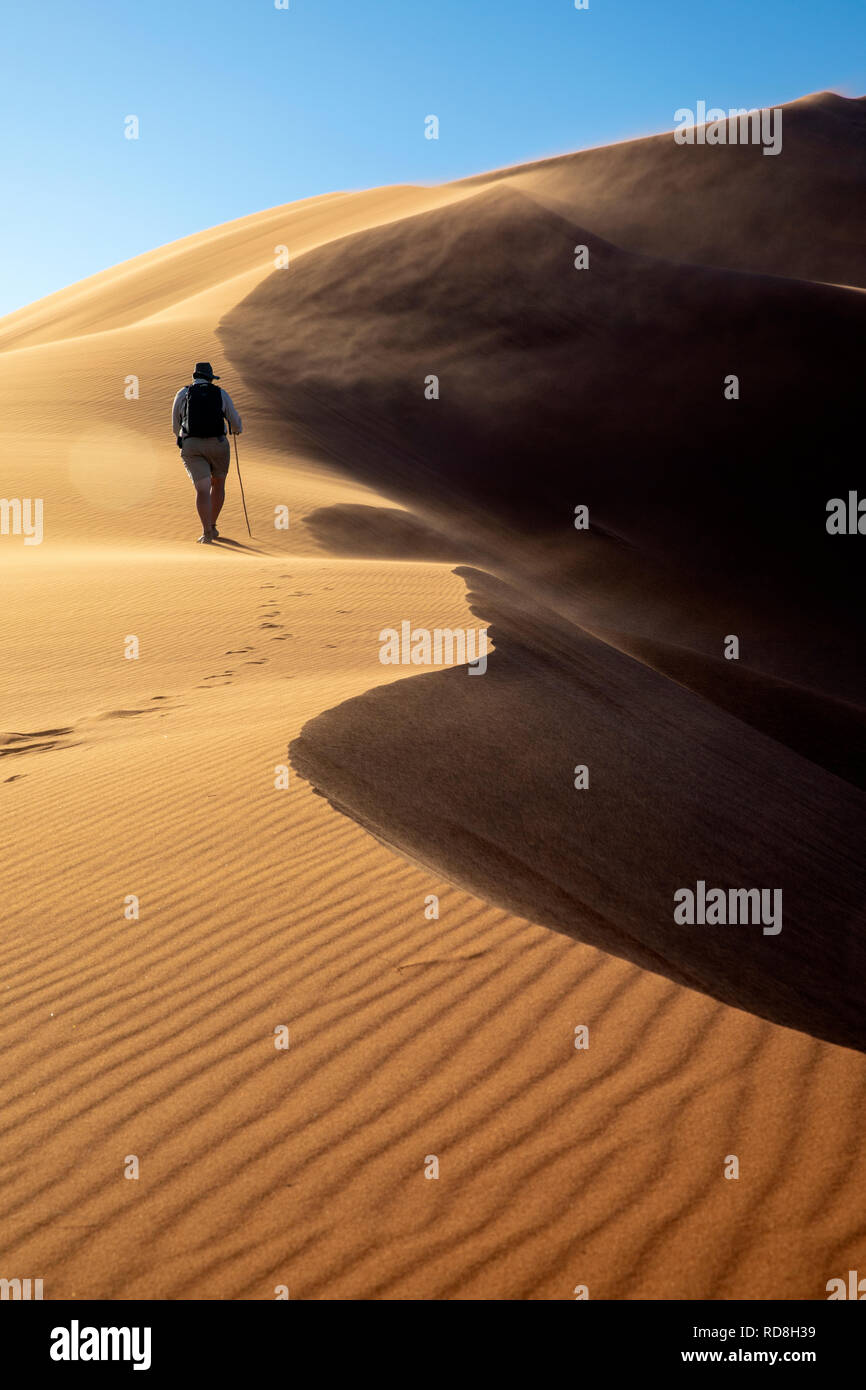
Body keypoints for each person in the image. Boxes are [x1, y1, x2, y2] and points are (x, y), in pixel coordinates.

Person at [172, 362, 243, 543]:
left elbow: (175, 426)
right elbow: (235, 422)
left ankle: (206, 533)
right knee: (218, 484)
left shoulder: (183, 393)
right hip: (218, 444)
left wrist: (186, 439)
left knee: (203, 489)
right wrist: (236, 429)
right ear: (211, 378)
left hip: (192, 446)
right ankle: (212, 525)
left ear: (195, 377)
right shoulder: (220, 393)